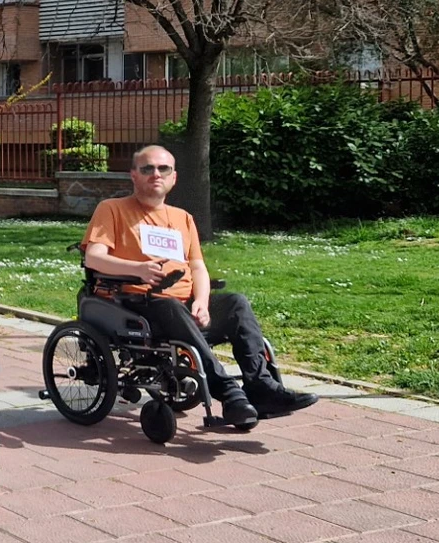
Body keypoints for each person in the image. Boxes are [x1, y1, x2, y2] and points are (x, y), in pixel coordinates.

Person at [82, 145, 316, 421]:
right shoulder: (112, 209)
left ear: (173, 178)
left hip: (185, 306)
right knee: (169, 306)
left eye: (163, 169)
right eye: (147, 169)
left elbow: (197, 266)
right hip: (136, 303)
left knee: (235, 303)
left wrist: (203, 303)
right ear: (133, 175)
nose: (155, 174)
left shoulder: (182, 218)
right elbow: (94, 258)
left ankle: (261, 387)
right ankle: (228, 392)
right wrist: (138, 269)